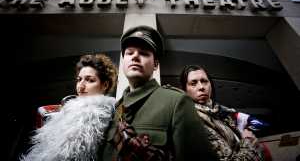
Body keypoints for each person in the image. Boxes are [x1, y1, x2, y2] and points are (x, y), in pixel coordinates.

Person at [100, 25, 218, 161]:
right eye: (129, 53)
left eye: (144, 53)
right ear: (124, 61)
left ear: (155, 64)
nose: (135, 57)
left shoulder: (176, 102)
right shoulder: (114, 110)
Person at [20, 53, 118, 161]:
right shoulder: (71, 110)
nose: (81, 86)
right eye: (79, 79)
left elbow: (64, 156)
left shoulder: (92, 114)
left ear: (105, 85)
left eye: (90, 80)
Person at [180, 65, 265, 161]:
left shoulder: (220, 113)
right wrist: (248, 142)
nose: (201, 87)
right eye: (193, 83)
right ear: (185, 90)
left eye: (204, 81)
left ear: (210, 85)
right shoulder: (193, 121)